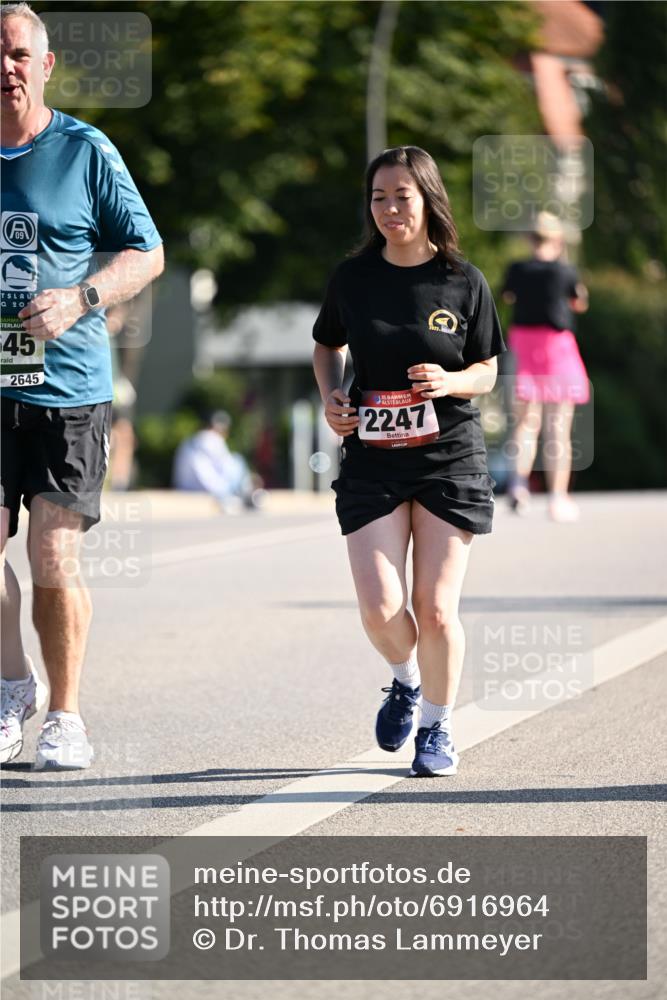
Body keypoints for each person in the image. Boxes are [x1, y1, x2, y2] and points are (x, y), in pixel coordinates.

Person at [0, 3, 164, 769]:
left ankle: (66, 716)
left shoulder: (83, 149)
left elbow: (147, 251)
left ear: (45, 63)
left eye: (16, 54)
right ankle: (11, 687)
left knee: (51, 554)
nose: (5, 67)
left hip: (67, 385)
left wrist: (81, 299)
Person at [312, 145, 505, 777]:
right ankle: (405, 679)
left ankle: (438, 728)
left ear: (427, 199)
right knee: (380, 608)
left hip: (449, 457)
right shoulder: (354, 278)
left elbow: (487, 370)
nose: (390, 208)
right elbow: (326, 346)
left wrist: (450, 382)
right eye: (379, 197)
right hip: (373, 456)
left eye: (402, 195)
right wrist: (332, 398)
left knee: (437, 608)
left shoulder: (463, 280)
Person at [501, 212, 590, 522]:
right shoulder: (565, 270)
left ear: (529, 238)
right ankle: (558, 498)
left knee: (526, 424)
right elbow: (579, 302)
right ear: (556, 239)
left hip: (524, 344)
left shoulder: (517, 269)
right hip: (556, 347)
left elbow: (508, 297)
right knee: (558, 428)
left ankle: (518, 485)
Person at [172, 410, 264, 512]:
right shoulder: (213, 439)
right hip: (214, 490)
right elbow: (226, 468)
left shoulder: (188, 441)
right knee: (237, 460)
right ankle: (248, 494)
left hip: (184, 488)